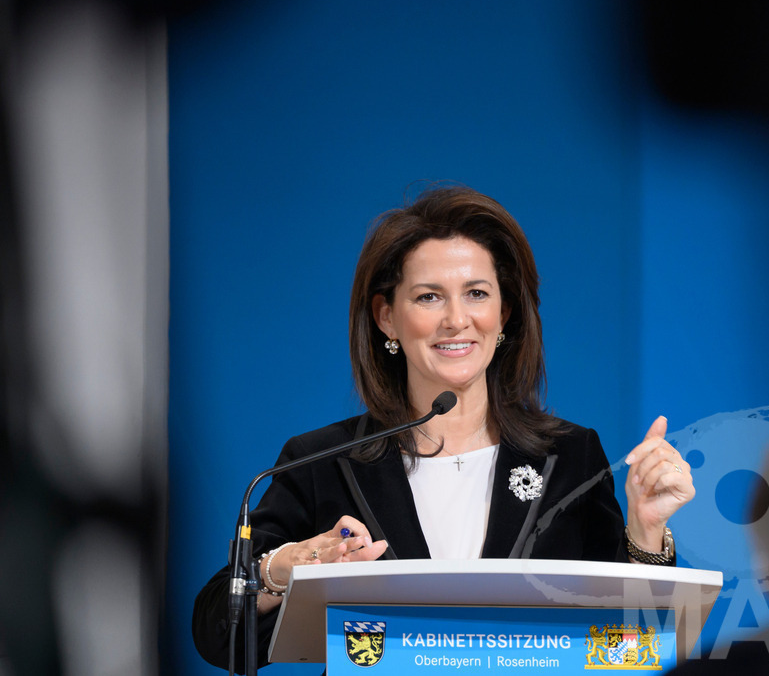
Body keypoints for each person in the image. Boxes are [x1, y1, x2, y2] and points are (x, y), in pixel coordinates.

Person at [192, 185, 695, 670]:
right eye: (429, 297)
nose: (457, 320)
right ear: (387, 317)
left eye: (476, 293)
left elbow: (634, 645)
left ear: (505, 315)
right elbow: (218, 635)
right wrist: (279, 571)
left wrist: (648, 530)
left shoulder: (570, 455)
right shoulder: (324, 461)